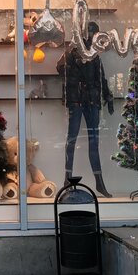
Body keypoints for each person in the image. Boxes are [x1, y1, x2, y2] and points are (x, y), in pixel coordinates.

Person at [57, 21, 114, 198]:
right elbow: (60, 69)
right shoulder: (72, 51)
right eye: (91, 34)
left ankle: (99, 182)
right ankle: (67, 179)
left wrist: (108, 96)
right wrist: (72, 55)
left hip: (91, 100)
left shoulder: (95, 55)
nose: (92, 37)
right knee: (72, 140)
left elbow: (101, 77)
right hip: (77, 100)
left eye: (94, 34)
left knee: (93, 142)